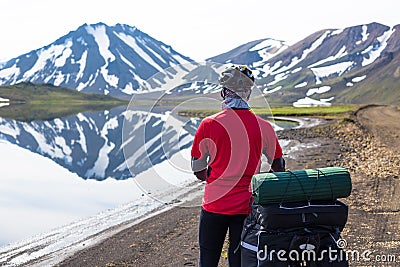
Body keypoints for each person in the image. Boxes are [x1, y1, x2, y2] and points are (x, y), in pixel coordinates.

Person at [191, 65, 285, 267]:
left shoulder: (208, 124)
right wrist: (262, 183)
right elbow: (279, 165)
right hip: (247, 208)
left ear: (223, 92)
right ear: (248, 92)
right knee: (240, 261)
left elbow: (197, 171)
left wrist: (212, 175)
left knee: (207, 259)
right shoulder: (264, 126)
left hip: (214, 205)